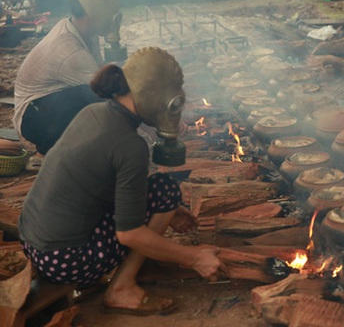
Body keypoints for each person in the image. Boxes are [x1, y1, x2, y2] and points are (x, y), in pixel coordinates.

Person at [18, 47, 223, 316]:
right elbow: (129, 234)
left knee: (159, 193)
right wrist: (195, 258)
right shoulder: (130, 145)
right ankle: (121, 289)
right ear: (157, 97)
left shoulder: (94, 112)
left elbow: (103, 181)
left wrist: (160, 209)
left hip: (32, 242)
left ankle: (117, 278)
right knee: (166, 191)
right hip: (65, 259)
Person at [13, 0, 125, 155]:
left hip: (48, 103)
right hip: (33, 117)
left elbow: (102, 70)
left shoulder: (83, 32)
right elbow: (111, 93)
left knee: (95, 92)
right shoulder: (68, 50)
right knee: (94, 94)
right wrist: (153, 123)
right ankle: (52, 145)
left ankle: (73, 141)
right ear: (93, 15)